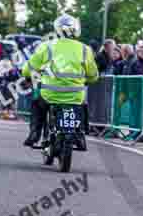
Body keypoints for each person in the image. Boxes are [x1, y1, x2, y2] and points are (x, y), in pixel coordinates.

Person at [21, 14, 99, 148]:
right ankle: (80, 134)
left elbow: (28, 69)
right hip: (75, 95)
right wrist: (86, 79)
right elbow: (93, 75)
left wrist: (29, 75)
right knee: (82, 105)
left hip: (50, 94)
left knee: (37, 104)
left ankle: (35, 133)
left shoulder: (47, 46)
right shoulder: (85, 49)